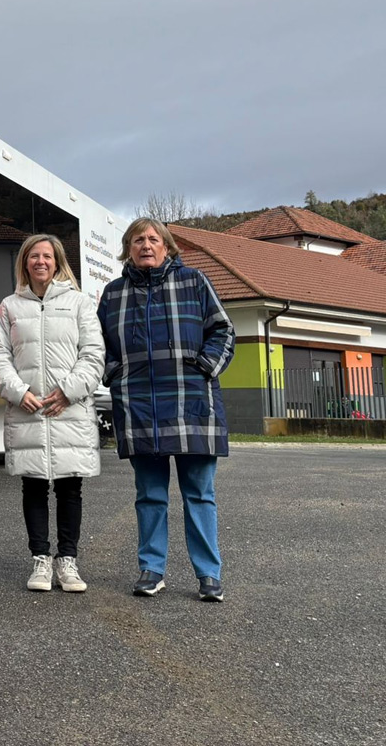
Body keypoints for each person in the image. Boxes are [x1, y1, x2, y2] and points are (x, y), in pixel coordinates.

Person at [97, 218, 235, 602]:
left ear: (167, 247)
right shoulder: (113, 294)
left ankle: (209, 575)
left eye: (153, 239)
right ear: (128, 249)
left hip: (193, 404)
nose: (146, 245)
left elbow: (223, 330)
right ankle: (151, 569)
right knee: (150, 495)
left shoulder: (194, 282)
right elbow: (98, 345)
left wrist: (204, 368)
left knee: (199, 494)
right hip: (139, 406)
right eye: (137, 240)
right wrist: (115, 374)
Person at [0, 234, 104, 593]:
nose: (40, 262)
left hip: (68, 408)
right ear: (24, 262)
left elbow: (93, 354)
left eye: (47, 256)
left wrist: (68, 391)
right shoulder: (9, 306)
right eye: (34, 256)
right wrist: (18, 391)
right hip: (29, 408)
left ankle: (67, 561)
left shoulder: (79, 303)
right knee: (34, 485)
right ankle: (40, 559)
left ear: (57, 263)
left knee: (70, 487)